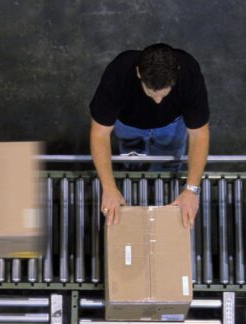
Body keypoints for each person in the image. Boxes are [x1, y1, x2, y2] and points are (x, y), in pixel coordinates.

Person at [89, 43, 211, 229]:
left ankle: (166, 174)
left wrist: (191, 189)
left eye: (163, 94)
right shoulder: (119, 72)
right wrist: (109, 187)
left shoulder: (189, 73)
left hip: (171, 126)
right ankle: (132, 168)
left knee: (170, 158)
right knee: (131, 155)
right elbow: (100, 133)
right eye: (151, 94)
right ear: (138, 73)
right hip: (129, 125)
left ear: (176, 73)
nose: (158, 101)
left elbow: (199, 135)